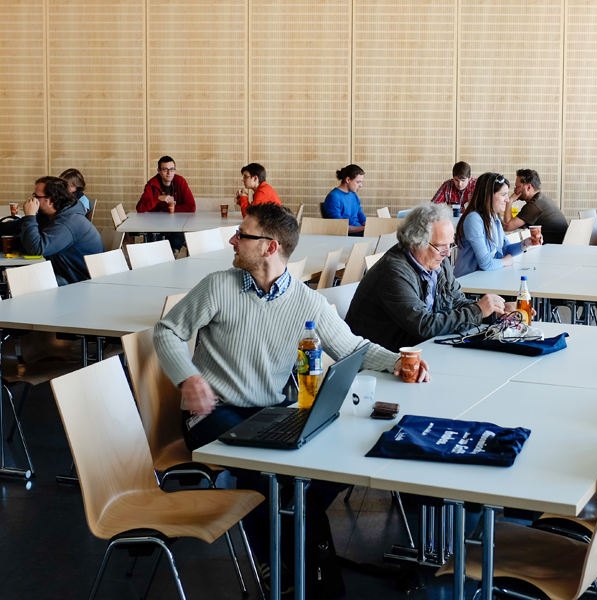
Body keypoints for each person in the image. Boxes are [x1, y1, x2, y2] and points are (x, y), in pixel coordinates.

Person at [154, 203, 429, 592]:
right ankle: (288, 564)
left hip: (268, 412)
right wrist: (188, 377)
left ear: (269, 247)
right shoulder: (218, 286)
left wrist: (398, 361)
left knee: (322, 467)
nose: (233, 239)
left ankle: (302, 554)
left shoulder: (306, 301)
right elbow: (167, 331)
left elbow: (353, 347)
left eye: (242, 234)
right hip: (211, 412)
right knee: (265, 470)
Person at [346, 203, 510, 352]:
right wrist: (478, 311)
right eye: (441, 247)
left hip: (420, 349)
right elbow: (424, 325)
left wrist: (494, 312)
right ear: (416, 242)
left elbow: (456, 302)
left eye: (450, 245)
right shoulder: (394, 272)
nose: (447, 254)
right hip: (382, 359)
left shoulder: (438, 262)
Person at [454, 173, 541, 278]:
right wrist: (505, 261)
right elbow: (486, 264)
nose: (507, 199)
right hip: (467, 282)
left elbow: (506, 249)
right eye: (503, 194)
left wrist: (526, 243)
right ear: (488, 196)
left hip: (486, 279)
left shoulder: (494, 218)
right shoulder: (474, 219)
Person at [20, 176, 103, 285]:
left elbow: (37, 249)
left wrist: (30, 216)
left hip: (80, 282)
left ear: (51, 200)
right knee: (21, 278)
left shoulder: (69, 222)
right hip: (64, 272)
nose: (33, 201)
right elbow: (18, 228)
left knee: (24, 282)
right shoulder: (52, 216)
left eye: (36, 197)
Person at [501, 169, 569, 244]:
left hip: (553, 248)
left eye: (517, 186)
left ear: (528, 187)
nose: (515, 190)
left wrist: (509, 201)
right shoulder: (541, 200)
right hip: (559, 246)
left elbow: (507, 227)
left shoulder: (534, 205)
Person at [323, 164, 366, 235]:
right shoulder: (334, 197)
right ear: (348, 180)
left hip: (359, 232)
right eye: (358, 182)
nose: (361, 185)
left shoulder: (353, 195)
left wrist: (369, 226)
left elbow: (360, 214)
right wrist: (364, 228)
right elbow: (340, 227)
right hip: (349, 235)